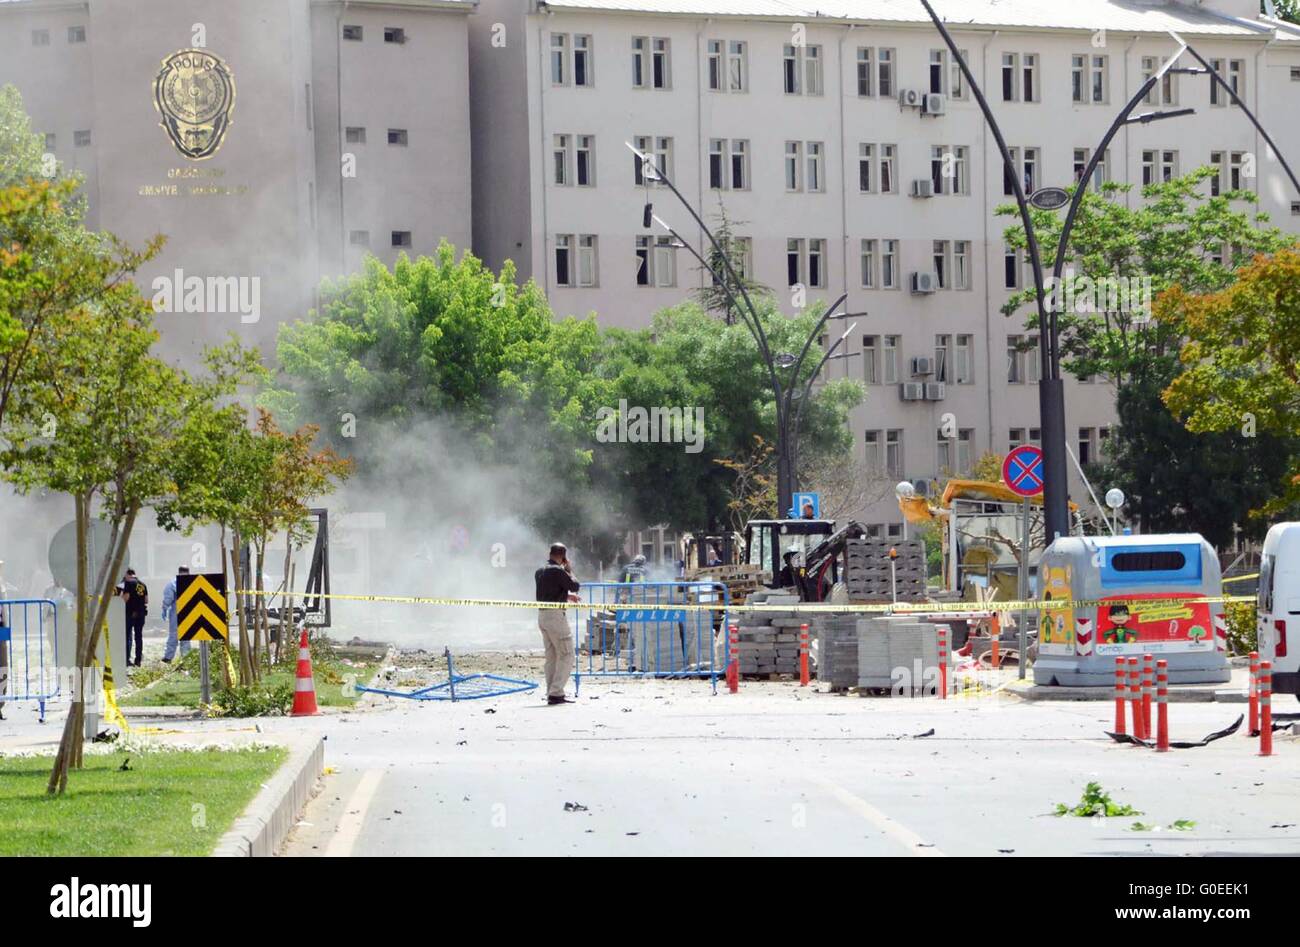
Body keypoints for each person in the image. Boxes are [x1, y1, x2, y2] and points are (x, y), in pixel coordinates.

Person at [535, 542, 580, 705]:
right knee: (567, 653)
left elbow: (548, 592)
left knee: (552, 656)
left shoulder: (540, 571)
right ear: (563, 556)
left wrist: (566, 597)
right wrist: (569, 570)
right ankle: (557, 692)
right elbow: (575, 585)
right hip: (555, 617)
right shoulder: (558, 570)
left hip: (542, 615)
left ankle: (551, 691)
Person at [114, 568, 149, 667]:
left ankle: (126, 659)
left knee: (127, 636)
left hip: (130, 614)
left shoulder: (128, 583)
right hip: (141, 614)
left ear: (127, 574)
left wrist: (118, 601)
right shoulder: (142, 584)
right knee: (139, 637)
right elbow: (146, 600)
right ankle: (138, 660)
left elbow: (126, 598)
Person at [160, 566, 193, 663]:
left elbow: (168, 599)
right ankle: (186, 658)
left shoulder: (172, 583)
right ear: (188, 572)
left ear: (179, 572)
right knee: (186, 636)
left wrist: (164, 608)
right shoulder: (192, 582)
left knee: (174, 635)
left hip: (176, 612)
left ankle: (168, 657)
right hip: (189, 612)